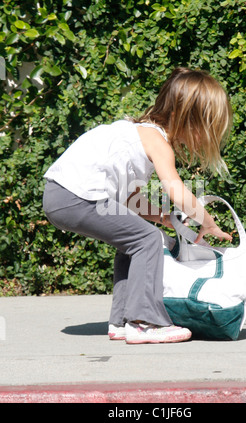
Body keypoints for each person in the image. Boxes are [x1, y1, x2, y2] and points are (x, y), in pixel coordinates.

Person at [42, 67, 233, 344]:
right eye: (207, 129)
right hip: (77, 196)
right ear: (189, 121)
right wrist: (208, 221)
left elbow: (129, 198)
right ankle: (144, 322)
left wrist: (163, 218)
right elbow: (176, 189)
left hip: (59, 194)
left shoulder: (136, 134)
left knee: (134, 241)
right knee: (148, 240)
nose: (204, 139)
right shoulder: (158, 143)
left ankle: (120, 321)